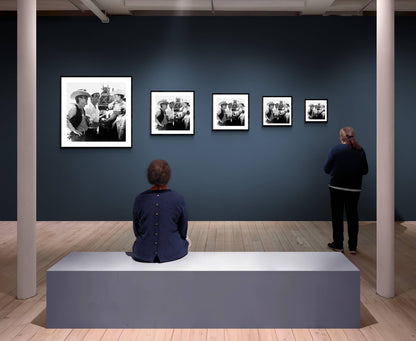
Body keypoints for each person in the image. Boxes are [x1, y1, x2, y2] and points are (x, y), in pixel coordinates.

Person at [132, 160, 190, 263]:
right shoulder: (178, 198)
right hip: (173, 252)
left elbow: (137, 231)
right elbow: (183, 230)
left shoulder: (139, 199)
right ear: (168, 175)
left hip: (142, 253)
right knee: (187, 240)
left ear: (149, 175)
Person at [324, 127, 368, 254]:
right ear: (353, 137)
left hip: (336, 187)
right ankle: (353, 247)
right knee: (353, 217)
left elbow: (326, 169)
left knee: (337, 216)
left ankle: (338, 244)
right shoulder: (360, 151)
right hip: (354, 189)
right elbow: (365, 170)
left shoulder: (335, 150)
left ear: (340, 138)